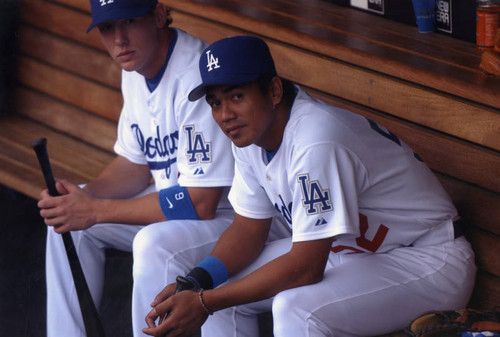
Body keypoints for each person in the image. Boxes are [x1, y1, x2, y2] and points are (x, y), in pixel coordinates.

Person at [142, 36, 477, 337]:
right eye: (215, 102)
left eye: (237, 96)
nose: (225, 114)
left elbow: (305, 267)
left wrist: (204, 302)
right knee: (224, 284)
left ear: (273, 91)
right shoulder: (250, 134)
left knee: (296, 309)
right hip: (358, 252)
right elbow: (248, 229)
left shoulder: (315, 138)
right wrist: (196, 283)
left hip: (428, 258)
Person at [37, 1, 236, 336]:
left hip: (230, 217)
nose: (119, 39)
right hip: (180, 209)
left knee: (152, 242)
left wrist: (96, 210)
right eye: (107, 28)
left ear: (158, 15)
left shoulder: (194, 75)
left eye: (129, 21)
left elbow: (201, 202)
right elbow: (135, 164)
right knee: (66, 221)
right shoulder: (136, 69)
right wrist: (81, 199)